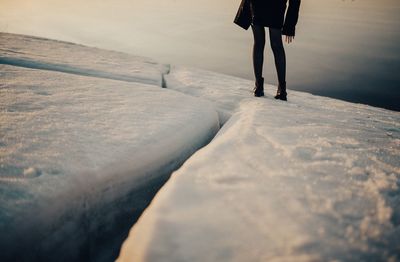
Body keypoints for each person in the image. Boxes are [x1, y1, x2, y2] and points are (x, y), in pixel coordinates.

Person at [250, 0, 301, 100]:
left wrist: (290, 26)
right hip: (275, 7)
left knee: (259, 43)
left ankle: (258, 87)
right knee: (276, 45)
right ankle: (282, 90)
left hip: (259, 5)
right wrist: (290, 26)